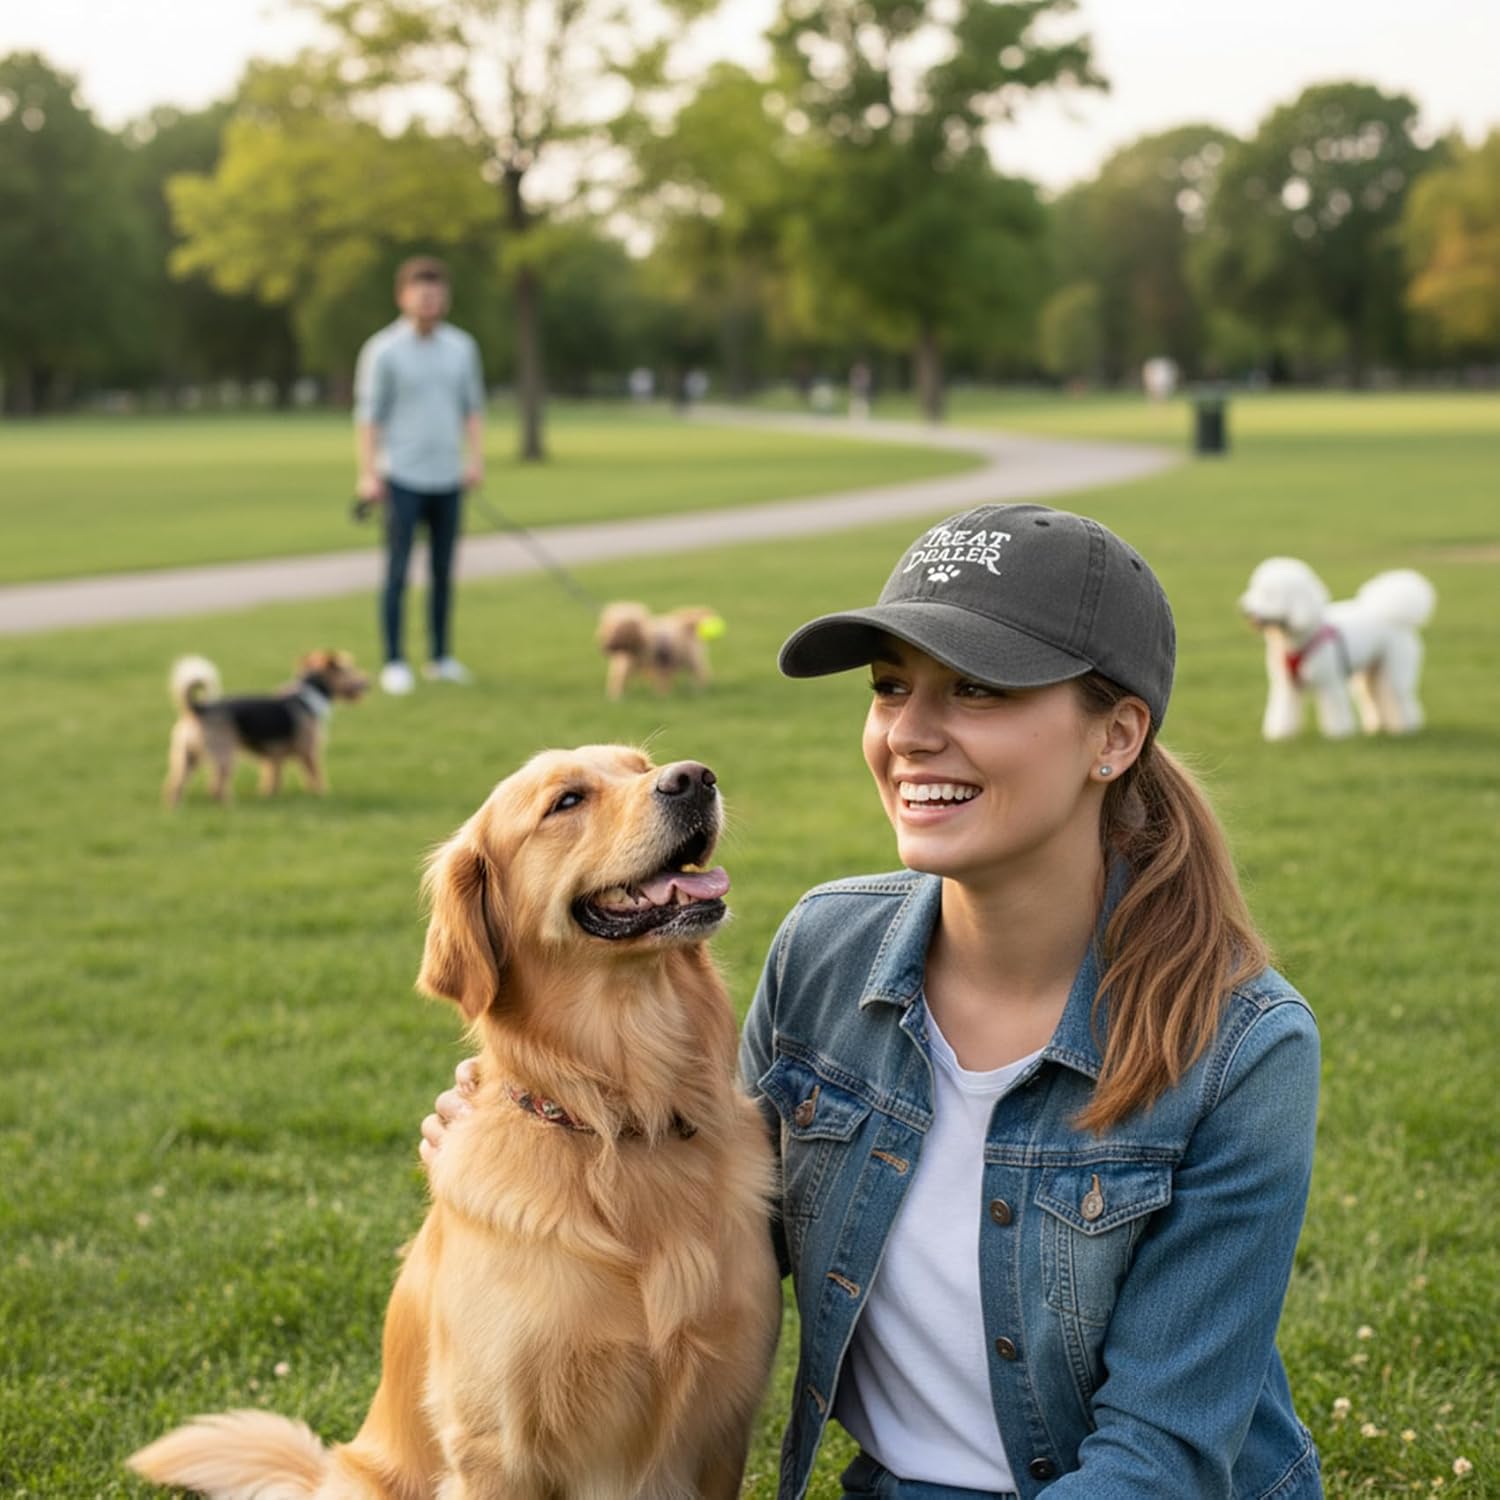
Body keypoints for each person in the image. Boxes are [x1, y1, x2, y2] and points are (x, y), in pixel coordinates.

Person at [421, 503, 1322, 1499]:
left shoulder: (1244, 1048)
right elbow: (717, 1220)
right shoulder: (825, 952)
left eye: (977, 691)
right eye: (892, 688)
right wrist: (532, 1140)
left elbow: (1159, 1461)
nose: (912, 735)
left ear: (1114, 737)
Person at [354, 255, 486, 696]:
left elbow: (473, 409)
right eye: (421, 292)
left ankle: (440, 656)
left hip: (448, 475)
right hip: (401, 476)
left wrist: (475, 460)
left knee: (444, 570)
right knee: (396, 571)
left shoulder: (462, 347)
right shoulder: (383, 350)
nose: (430, 300)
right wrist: (368, 473)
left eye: (436, 293)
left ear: (445, 299)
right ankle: (394, 660)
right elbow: (369, 417)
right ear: (403, 296)